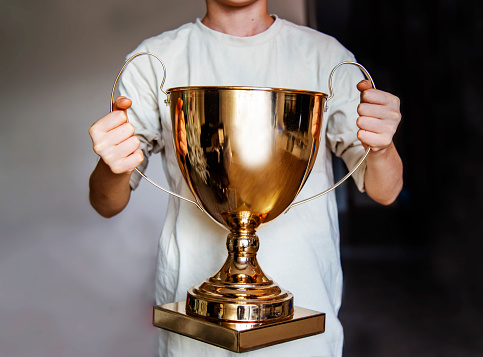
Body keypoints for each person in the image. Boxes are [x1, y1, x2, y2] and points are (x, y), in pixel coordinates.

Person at [88, 0, 403, 356]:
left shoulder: (325, 56)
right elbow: (106, 203)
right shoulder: (155, 60)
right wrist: (111, 165)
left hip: (303, 324)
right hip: (196, 332)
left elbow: (386, 191)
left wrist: (382, 147)